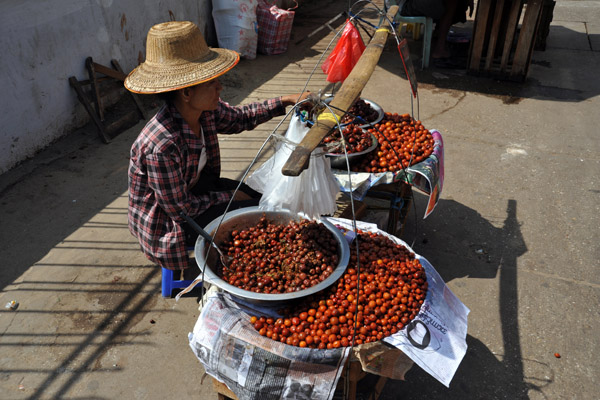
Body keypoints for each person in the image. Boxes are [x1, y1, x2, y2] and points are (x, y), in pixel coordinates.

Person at [124, 21, 311, 271]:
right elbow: (180, 210)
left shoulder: (203, 111)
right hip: (171, 221)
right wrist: (226, 197)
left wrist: (286, 100)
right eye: (212, 83)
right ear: (186, 93)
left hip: (196, 189)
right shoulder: (160, 146)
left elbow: (240, 118)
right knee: (257, 215)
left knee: (260, 201)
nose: (219, 87)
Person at [399, 0, 474, 67]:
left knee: (458, 4)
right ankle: (439, 49)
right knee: (452, 2)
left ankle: (439, 35)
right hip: (405, 6)